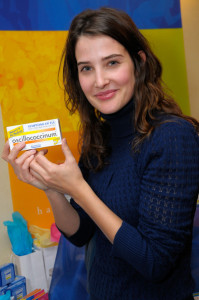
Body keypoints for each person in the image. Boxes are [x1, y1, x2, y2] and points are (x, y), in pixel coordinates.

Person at [2, 7, 199, 300]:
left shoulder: (172, 136)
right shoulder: (101, 136)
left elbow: (155, 262)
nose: (99, 81)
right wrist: (52, 189)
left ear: (138, 62)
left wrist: (79, 189)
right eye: (86, 68)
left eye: (112, 63)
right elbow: (80, 232)